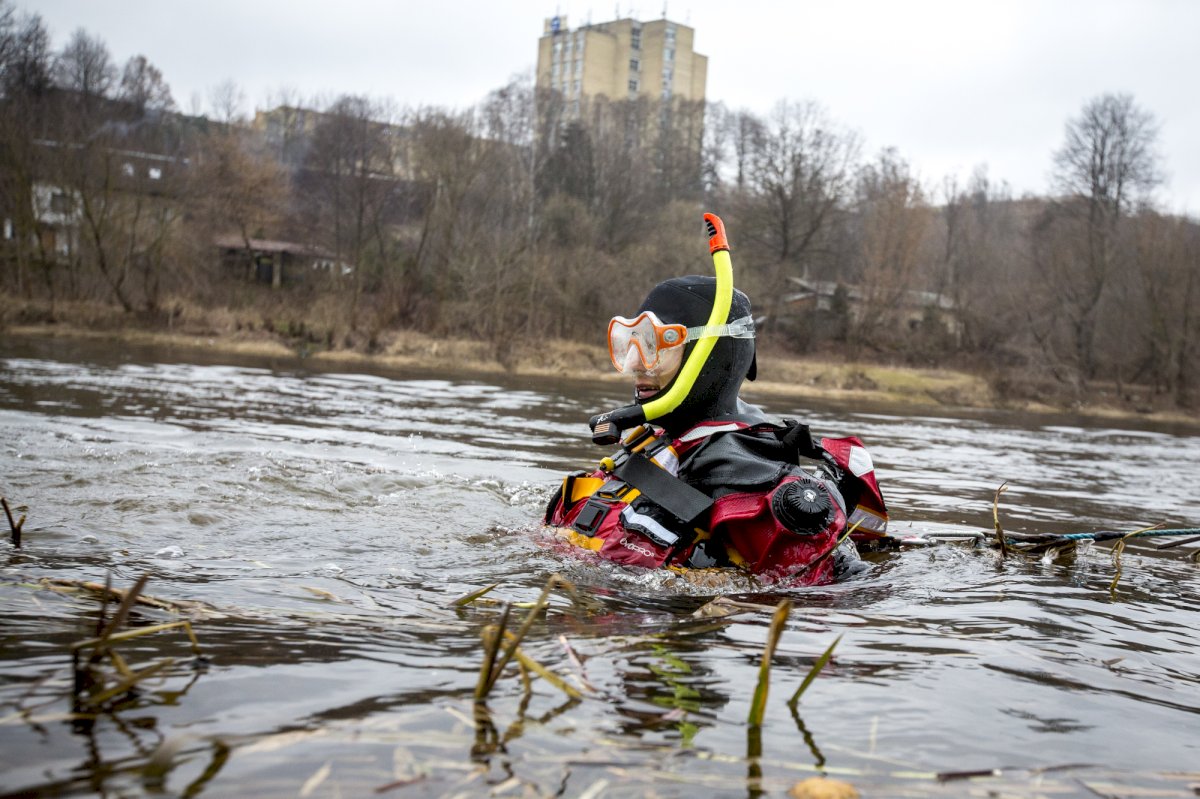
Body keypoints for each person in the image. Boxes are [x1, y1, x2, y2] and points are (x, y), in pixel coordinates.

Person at [543, 214, 887, 586]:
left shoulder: (749, 475)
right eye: (631, 345)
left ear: (709, 358)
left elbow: (830, 591)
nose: (636, 366)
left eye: (656, 347)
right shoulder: (656, 444)